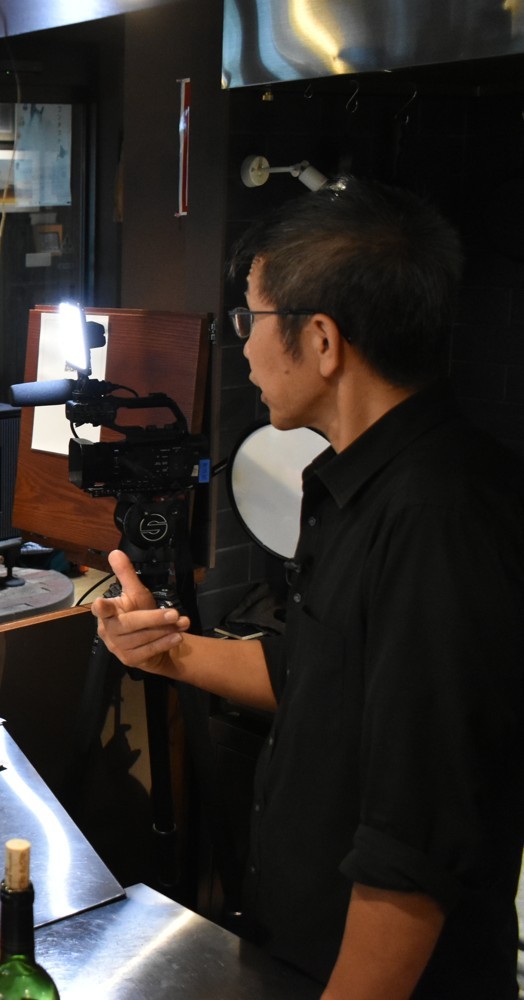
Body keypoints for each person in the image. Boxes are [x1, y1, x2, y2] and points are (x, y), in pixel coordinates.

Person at [92, 179, 523, 997]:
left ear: (321, 340)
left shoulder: (439, 518)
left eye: (250, 319)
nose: (244, 347)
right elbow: (313, 675)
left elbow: (413, 848)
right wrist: (169, 652)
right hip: (293, 952)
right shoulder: (358, 483)